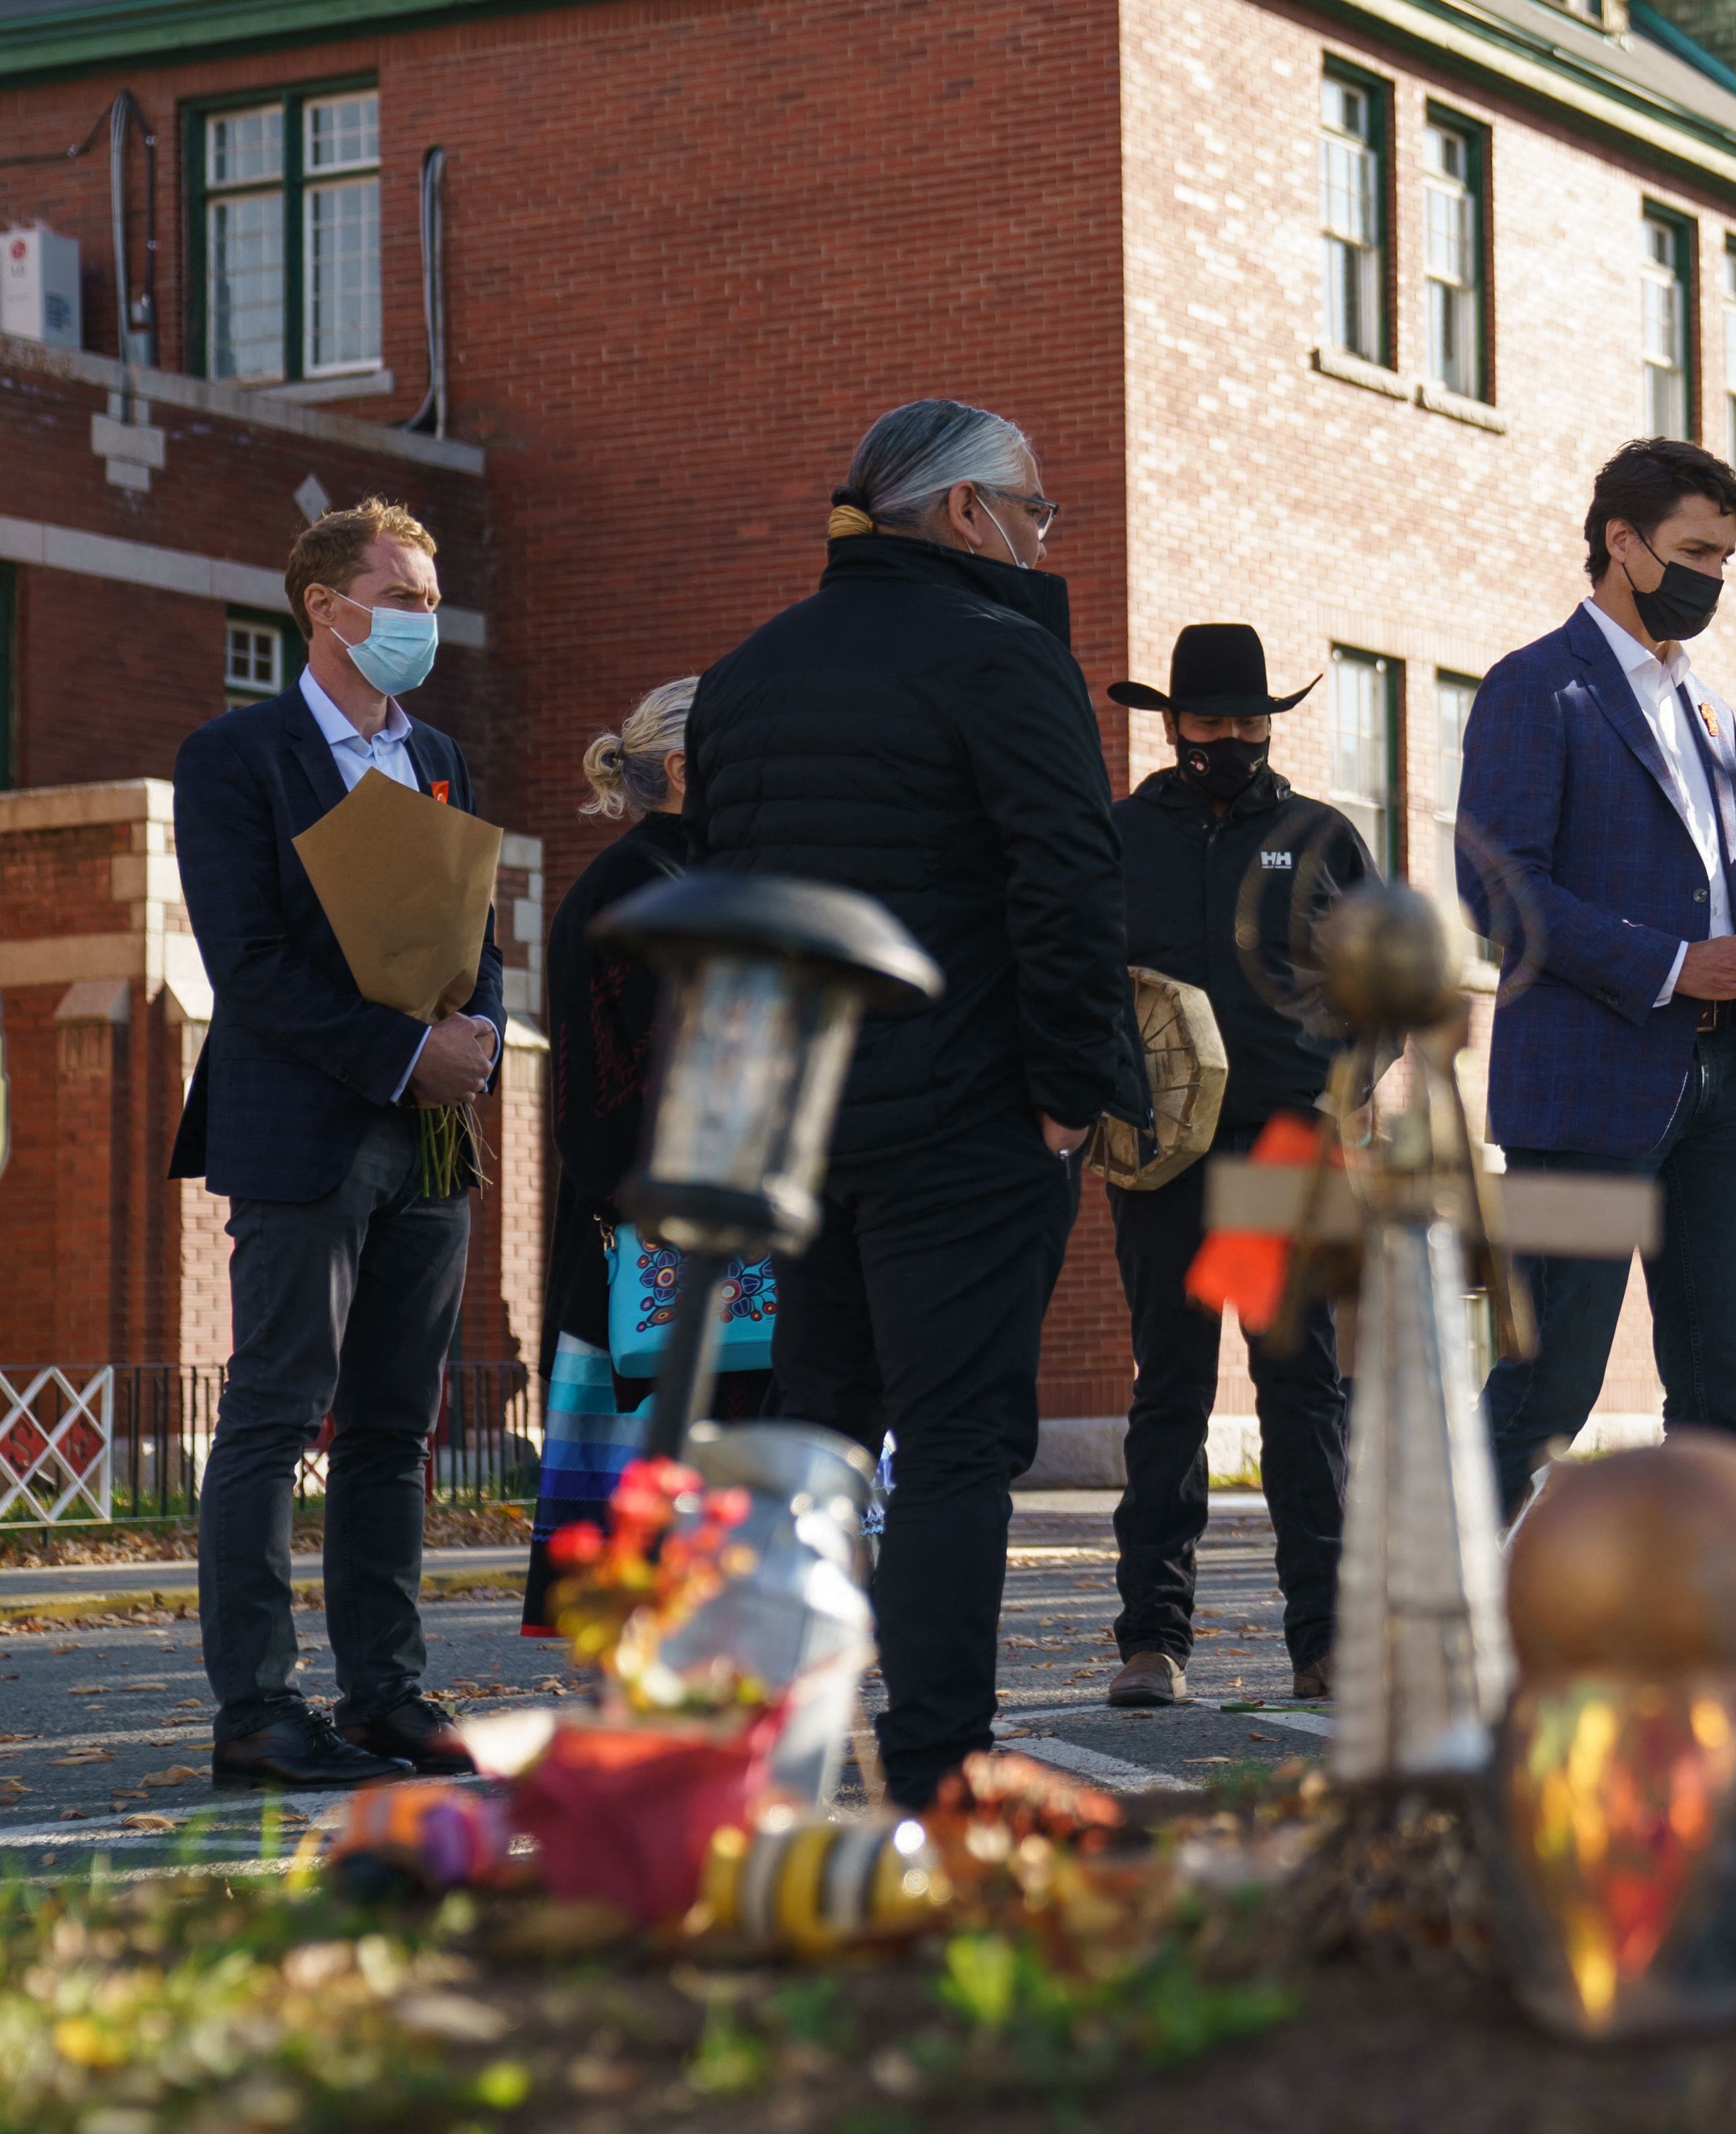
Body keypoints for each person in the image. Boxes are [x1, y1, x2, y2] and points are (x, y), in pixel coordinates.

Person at [686, 399, 1147, 1809]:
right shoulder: (1004, 655)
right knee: (956, 1442)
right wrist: (1068, 1092)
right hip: (965, 1110)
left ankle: (787, 1748)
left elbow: (726, 911)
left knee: (817, 1430)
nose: (1038, 536)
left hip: (801, 1119)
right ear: (963, 511)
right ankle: (939, 1758)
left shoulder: (744, 677)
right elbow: (1068, 881)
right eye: (1032, 510)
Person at [171, 496, 500, 1787]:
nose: (425, 621)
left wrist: (477, 1036)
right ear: (326, 607)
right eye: (404, 598)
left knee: (391, 1430)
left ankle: (385, 1695)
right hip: (303, 1129)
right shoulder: (236, 756)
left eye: (431, 602)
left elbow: (473, 936)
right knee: (273, 1413)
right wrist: (405, 1053)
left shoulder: (439, 756)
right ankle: (257, 1711)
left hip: (430, 1143)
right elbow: (247, 964)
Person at [1457, 437, 1736, 1521]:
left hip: (1729, 1085)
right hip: (1583, 1087)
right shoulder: (1535, 687)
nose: (1714, 576)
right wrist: (1674, 964)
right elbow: (1499, 889)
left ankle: (1715, 1611)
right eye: (1695, 551)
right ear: (1622, 541)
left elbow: (1708, 895)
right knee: (1549, 1382)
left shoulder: (1714, 714)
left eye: (1725, 558)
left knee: (1728, 1380)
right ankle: (1434, 1603)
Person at [1098, 625, 1375, 1708]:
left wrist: (1338, 1098)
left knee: (1299, 1396)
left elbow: (1382, 991)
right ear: (1173, 724)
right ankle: (1151, 1642)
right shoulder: (1118, 837)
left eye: (1249, 722)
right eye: (1211, 722)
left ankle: (1324, 1643)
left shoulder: (1321, 838)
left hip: (1283, 1154)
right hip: (1159, 1158)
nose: (1231, 740)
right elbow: (1076, 981)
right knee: (1168, 1391)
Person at [522, 681, 774, 1634]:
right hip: (662, 1241)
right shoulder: (646, 889)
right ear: (681, 768)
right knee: (666, 1525)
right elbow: (641, 1084)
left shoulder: (694, 875)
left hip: (683, 1233)